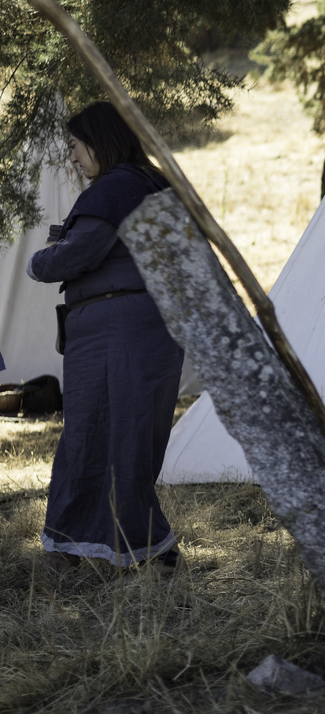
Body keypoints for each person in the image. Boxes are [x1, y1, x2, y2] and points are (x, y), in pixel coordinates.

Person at [26, 102, 184, 569]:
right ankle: (108, 549)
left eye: (76, 145)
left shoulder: (117, 187)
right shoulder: (154, 183)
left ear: (100, 141)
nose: (73, 156)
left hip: (118, 332)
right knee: (127, 441)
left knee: (98, 439)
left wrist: (40, 261)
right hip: (148, 329)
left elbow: (78, 253)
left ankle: (136, 551)